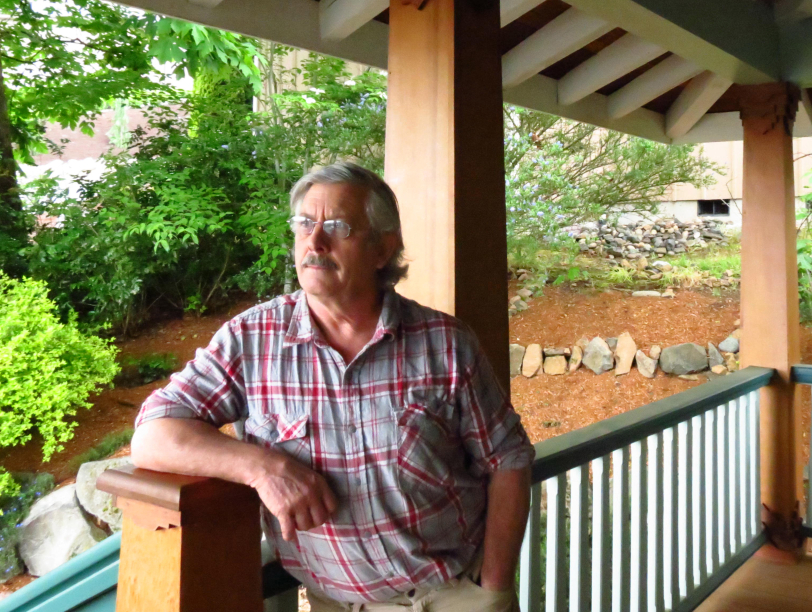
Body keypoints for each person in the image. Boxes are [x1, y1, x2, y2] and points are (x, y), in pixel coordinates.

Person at [131, 161, 534, 612]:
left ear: (384, 248)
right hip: (334, 604)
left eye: (337, 226)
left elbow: (508, 457)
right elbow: (152, 435)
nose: (314, 241)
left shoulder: (445, 344)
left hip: (450, 596)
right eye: (304, 223)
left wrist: (493, 587)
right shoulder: (252, 340)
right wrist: (264, 469)